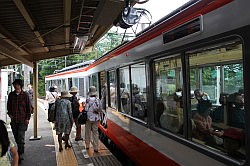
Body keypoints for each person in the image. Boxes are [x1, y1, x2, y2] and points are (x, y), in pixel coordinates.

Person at [7, 79, 32, 163]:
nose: (15, 86)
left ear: (20, 85)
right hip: (14, 120)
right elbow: (8, 106)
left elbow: (29, 107)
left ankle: (20, 154)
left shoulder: (25, 95)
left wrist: (27, 118)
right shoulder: (11, 95)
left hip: (23, 120)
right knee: (16, 137)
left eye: (16, 84)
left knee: (21, 137)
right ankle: (21, 149)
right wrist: (9, 114)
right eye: (14, 84)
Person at [85, 86, 102, 152]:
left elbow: (86, 109)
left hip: (88, 118)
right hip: (96, 118)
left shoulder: (87, 99)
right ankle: (96, 148)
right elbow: (100, 109)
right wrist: (96, 111)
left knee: (87, 132)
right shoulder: (98, 100)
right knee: (95, 132)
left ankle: (87, 145)